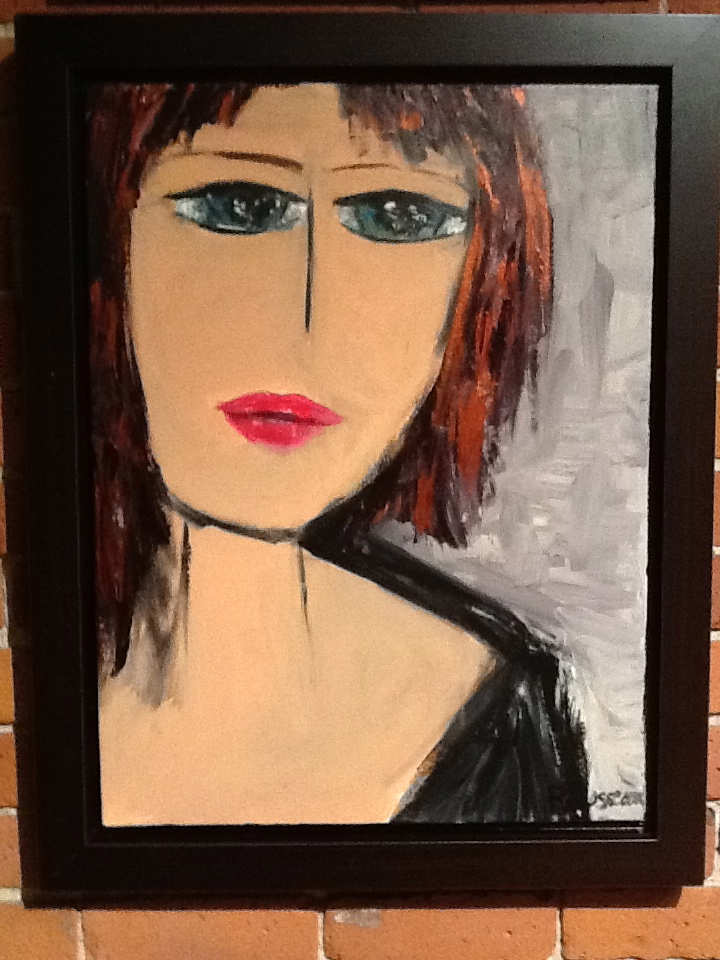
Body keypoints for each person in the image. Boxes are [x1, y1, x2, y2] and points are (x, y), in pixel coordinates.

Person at [88, 81, 589, 826]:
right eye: (236, 206)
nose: (310, 318)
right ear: (111, 241)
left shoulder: (496, 716)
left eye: (397, 216)